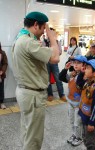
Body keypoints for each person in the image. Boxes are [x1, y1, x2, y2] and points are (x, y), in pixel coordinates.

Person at [12, 12, 59, 150]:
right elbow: (55, 58)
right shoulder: (28, 42)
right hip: (33, 96)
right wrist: (52, 38)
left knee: (27, 131)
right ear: (36, 25)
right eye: (44, 27)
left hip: (24, 92)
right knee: (34, 138)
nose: (45, 31)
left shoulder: (20, 38)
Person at [59, 55, 87, 146]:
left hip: (79, 104)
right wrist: (65, 69)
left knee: (77, 122)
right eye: (74, 63)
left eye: (78, 63)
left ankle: (79, 137)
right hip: (70, 102)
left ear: (84, 65)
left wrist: (81, 73)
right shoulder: (72, 74)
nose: (75, 65)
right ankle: (74, 134)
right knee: (71, 120)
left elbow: (80, 84)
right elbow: (61, 77)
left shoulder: (85, 76)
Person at [78, 59, 95, 150]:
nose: (85, 69)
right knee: (85, 138)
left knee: (91, 143)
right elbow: (79, 84)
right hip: (85, 116)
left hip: (90, 120)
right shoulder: (88, 82)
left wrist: (92, 123)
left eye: (88, 68)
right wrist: (81, 73)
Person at [47, 30, 66, 102]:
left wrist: (54, 52)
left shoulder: (57, 42)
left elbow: (60, 52)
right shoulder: (44, 42)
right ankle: (50, 95)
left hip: (54, 63)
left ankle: (62, 94)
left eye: (52, 33)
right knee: (47, 80)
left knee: (58, 78)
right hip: (47, 62)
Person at [0, 42, 8, 109]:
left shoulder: (2, 53)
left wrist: (2, 71)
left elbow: (5, 63)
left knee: (1, 89)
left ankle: (1, 103)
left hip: (1, 75)